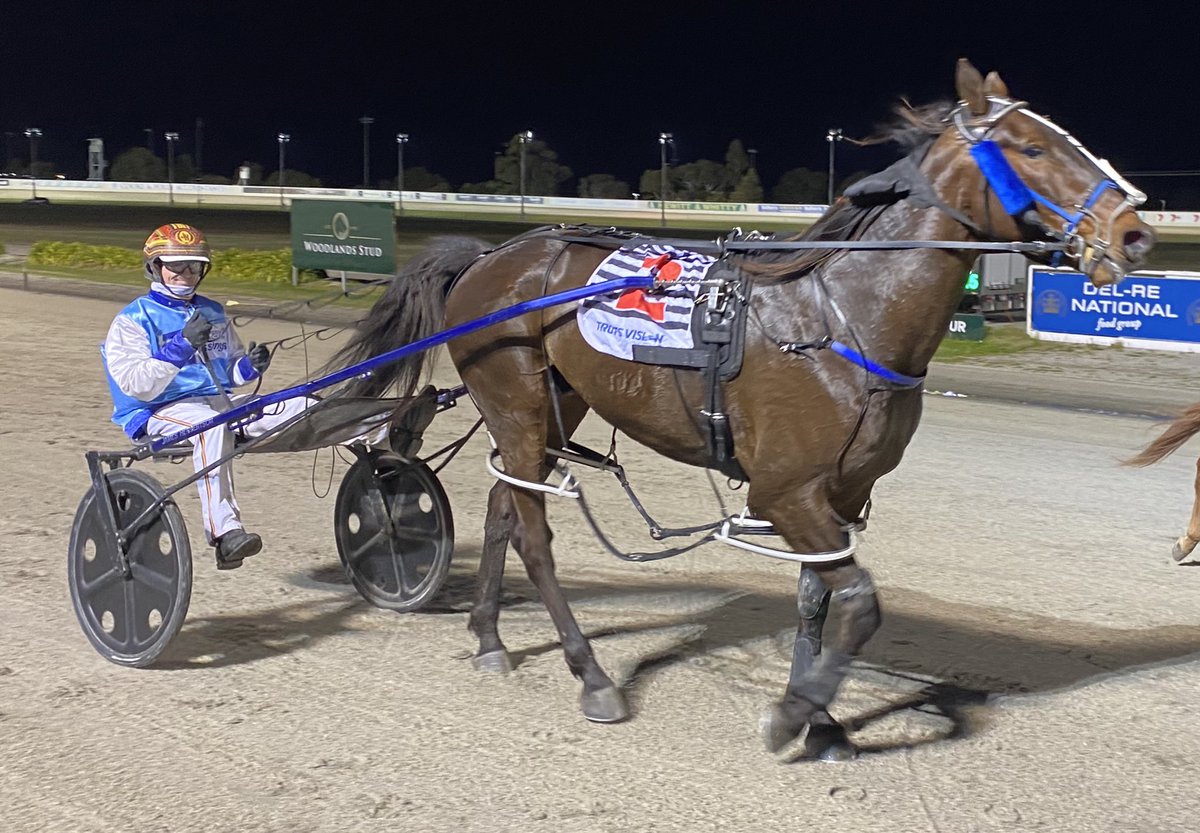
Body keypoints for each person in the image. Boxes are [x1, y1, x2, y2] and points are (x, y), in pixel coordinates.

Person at [101, 223, 368, 570]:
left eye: (194, 266)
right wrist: (181, 345)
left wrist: (250, 367)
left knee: (299, 404)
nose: (186, 273)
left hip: (218, 402)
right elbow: (135, 385)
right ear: (155, 266)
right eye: (176, 265)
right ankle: (225, 535)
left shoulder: (212, 311)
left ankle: (381, 436)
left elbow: (228, 374)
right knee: (212, 425)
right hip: (158, 411)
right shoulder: (133, 320)